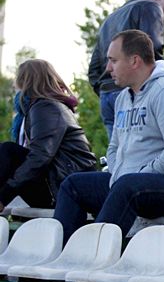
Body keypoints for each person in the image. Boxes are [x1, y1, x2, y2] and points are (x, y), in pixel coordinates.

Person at [54, 30, 164, 241]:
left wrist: (138, 175)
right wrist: (121, 173)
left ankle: (93, 260)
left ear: (134, 61)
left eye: (113, 60)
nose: (108, 68)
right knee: (73, 185)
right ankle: (62, 261)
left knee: (128, 187)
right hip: (136, 181)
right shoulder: (124, 97)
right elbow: (114, 148)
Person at [0, 60, 96, 211]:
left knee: (8, 151)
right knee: (8, 151)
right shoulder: (46, 106)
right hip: (59, 183)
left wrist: (5, 194)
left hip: (63, 188)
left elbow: (40, 156)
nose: (14, 84)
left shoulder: (46, 107)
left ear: (25, 80)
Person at [88, 0, 164, 138]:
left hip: (107, 95)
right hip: (132, 91)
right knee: (143, 152)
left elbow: (94, 67)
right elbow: (152, 49)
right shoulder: (150, 7)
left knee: (118, 155)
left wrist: (104, 87)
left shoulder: (110, 19)